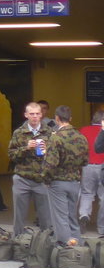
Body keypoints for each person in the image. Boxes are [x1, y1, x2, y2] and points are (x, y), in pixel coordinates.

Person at [8, 101, 53, 235]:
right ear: (26, 115)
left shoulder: (49, 132)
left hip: (42, 179)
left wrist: (48, 150)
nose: (34, 116)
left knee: (45, 216)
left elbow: (57, 157)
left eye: (37, 114)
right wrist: (26, 148)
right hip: (22, 178)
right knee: (19, 215)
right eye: (31, 114)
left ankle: (45, 243)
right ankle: (18, 241)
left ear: (42, 115)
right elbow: (11, 155)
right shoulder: (19, 133)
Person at [47, 105, 88, 245]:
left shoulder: (56, 138)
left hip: (58, 181)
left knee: (60, 218)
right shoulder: (81, 137)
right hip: (74, 181)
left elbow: (51, 163)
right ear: (70, 118)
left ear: (56, 118)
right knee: (72, 217)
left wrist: (46, 179)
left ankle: (65, 250)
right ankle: (78, 248)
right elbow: (85, 161)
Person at [79, 110, 104, 234]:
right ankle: (102, 228)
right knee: (103, 197)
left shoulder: (83, 130)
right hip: (103, 166)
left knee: (87, 193)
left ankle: (84, 214)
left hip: (88, 165)